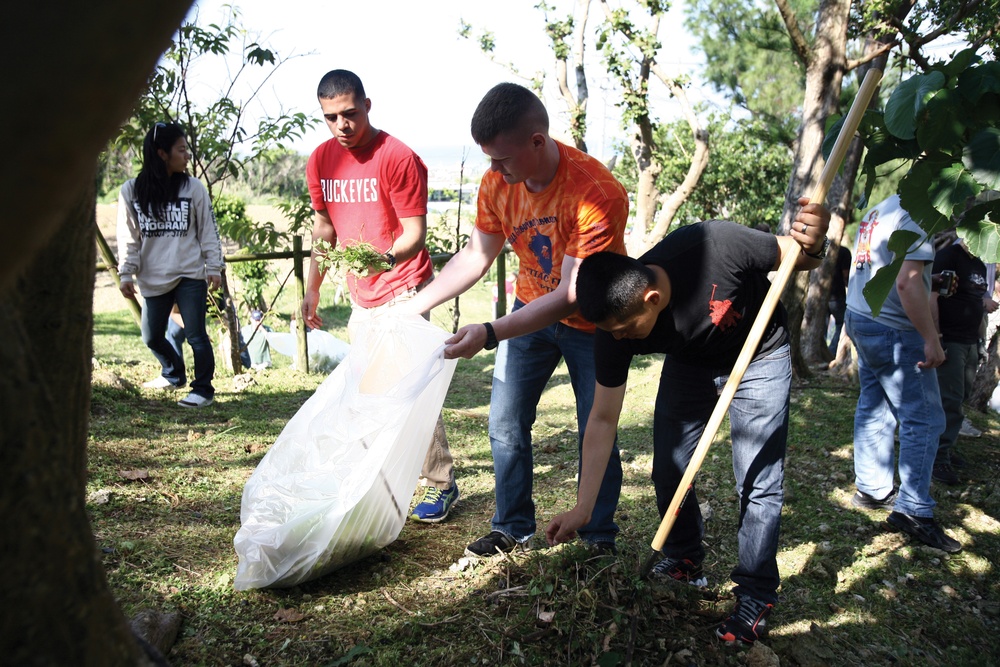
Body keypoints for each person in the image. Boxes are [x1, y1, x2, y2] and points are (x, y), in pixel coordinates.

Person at [545, 204, 831, 645]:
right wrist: (583, 508)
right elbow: (601, 420)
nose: (619, 339)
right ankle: (683, 558)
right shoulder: (613, 325)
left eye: (624, 330)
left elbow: (800, 257)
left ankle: (755, 593)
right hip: (691, 364)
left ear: (652, 299)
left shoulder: (716, 244)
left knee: (757, 480)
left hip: (761, 356)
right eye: (613, 332)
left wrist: (815, 240)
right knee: (670, 468)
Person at [403, 82, 629, 558]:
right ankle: (512, 527)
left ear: (538, 142)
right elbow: (475, 256)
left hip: (593, 324)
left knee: (595, 424)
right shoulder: (497, 183)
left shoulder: (596, 192)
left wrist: (488, 332)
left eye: (501, 159)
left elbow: (572, 297)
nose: (494, 170)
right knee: (505, 421)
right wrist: (414, 305)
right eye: (488, 159)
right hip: (529, 316)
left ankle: (597, 539)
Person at [302, 69, 459, 523]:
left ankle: (441, 483)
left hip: (405, 287)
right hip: (361, 295)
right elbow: (325, 228)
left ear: (367, 105)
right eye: (331, 117)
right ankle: (385, 477)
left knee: (407, 389)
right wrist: (313, 288)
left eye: (350, 113)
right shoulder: (320, 161)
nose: (342, 125)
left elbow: (414, 233)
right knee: (369, 392)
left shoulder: (398, 157)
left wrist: (383, 261)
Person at [844, 194, 961, 553]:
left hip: (862, 316)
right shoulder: (919, 210)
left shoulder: (884, 205)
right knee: (924, 419)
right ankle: (914, 510)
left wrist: (932, 277)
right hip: (893, 328)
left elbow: (892, 267)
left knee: (875, 402)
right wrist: (931, 338)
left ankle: (872, 488)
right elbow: (907, 283)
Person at [118, 121, 223, 409]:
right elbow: (129, 236)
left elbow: (207, 231)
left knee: (195, 335)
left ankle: (203, 390)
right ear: (162, 153)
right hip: (152, 276)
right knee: (151, 336)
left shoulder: (193, 188)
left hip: (189, 273)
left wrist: (214, 266)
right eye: (181, 150)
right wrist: (126, 272)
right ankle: (174, 373)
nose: (187, 155)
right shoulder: (131, 191)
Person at [930, 237, 998, 484]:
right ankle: (937, 457)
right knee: (948, 398)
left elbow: (976, 303)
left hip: (970, 340)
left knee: (960, 397)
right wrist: (935, 336)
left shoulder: (979, 263)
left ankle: (946, 448)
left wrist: (980, 343)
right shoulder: (948, 256)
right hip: (950, 338)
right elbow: (932, 295)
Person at [827, 243, 852, 354]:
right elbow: (846, 274)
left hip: (818, 298)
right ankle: (832, 352)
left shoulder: (819, 250)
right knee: (841, 324)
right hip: (837, 296)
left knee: (821, 329)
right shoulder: (844, 252)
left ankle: (825, 351)